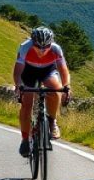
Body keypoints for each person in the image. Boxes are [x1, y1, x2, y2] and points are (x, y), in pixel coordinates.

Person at [12, 26, 71, 157]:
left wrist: (66, 86)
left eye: (46, 46)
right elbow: (18, 71)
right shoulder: (25, 47)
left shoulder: (56, 49)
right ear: (32, 42)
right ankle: (25, 139)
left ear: (51, 43)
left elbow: (64, 70)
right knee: (27, 104)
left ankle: (52, 121)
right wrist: (18, 85)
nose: (42, 50)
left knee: (56, 90)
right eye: (38, 46)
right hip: (28, 72)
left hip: (48, 71)